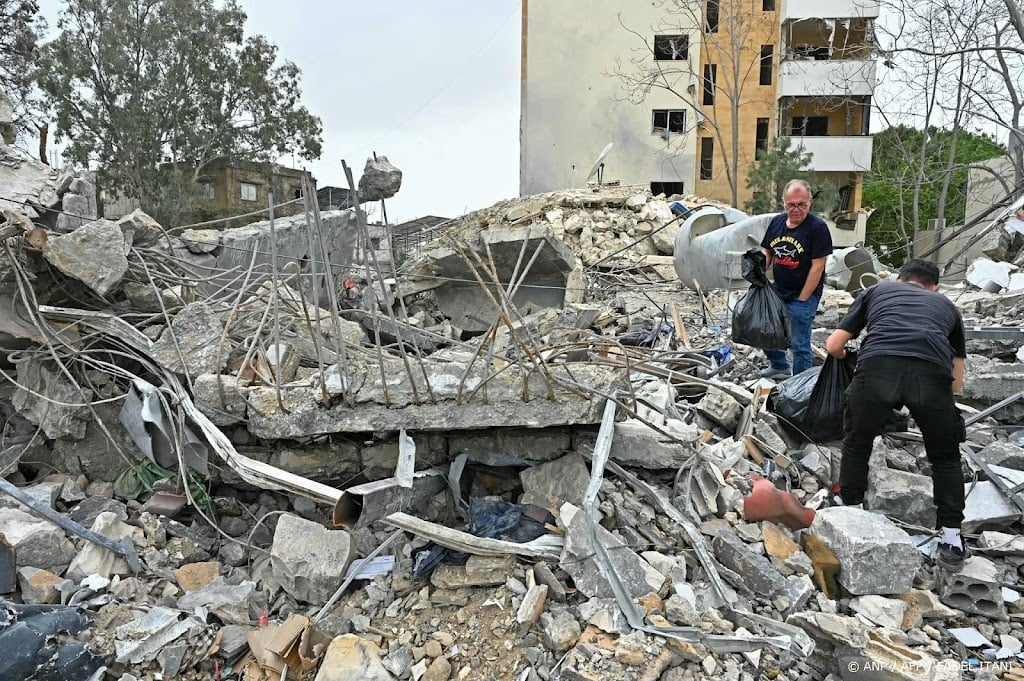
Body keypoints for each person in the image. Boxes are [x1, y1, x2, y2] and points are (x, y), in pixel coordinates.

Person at [825, 258, 968, 571]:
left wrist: (850, 358)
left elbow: (833, 345)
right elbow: (956, 383)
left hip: (878, 368)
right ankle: (951, 538)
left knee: (857, 443)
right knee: (946, 458)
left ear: (900, 280)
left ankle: (851, 508)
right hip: (930, 377)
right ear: (935, 287)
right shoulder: (947, 307)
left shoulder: (878, 290)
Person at [759, 179, 833, 378]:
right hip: (779, 288)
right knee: (763, 329)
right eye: (791, 205)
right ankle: (779, 365)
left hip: (804, 293)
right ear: (783, 203)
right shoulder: (777, 222)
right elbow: (767, 251)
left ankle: (800, 385)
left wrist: (803, 299)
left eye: (802, 204)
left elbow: (818, 266)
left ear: (810, 202)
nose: (796, 209)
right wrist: (758, 267)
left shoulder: (817, 228)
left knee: (799, 344)